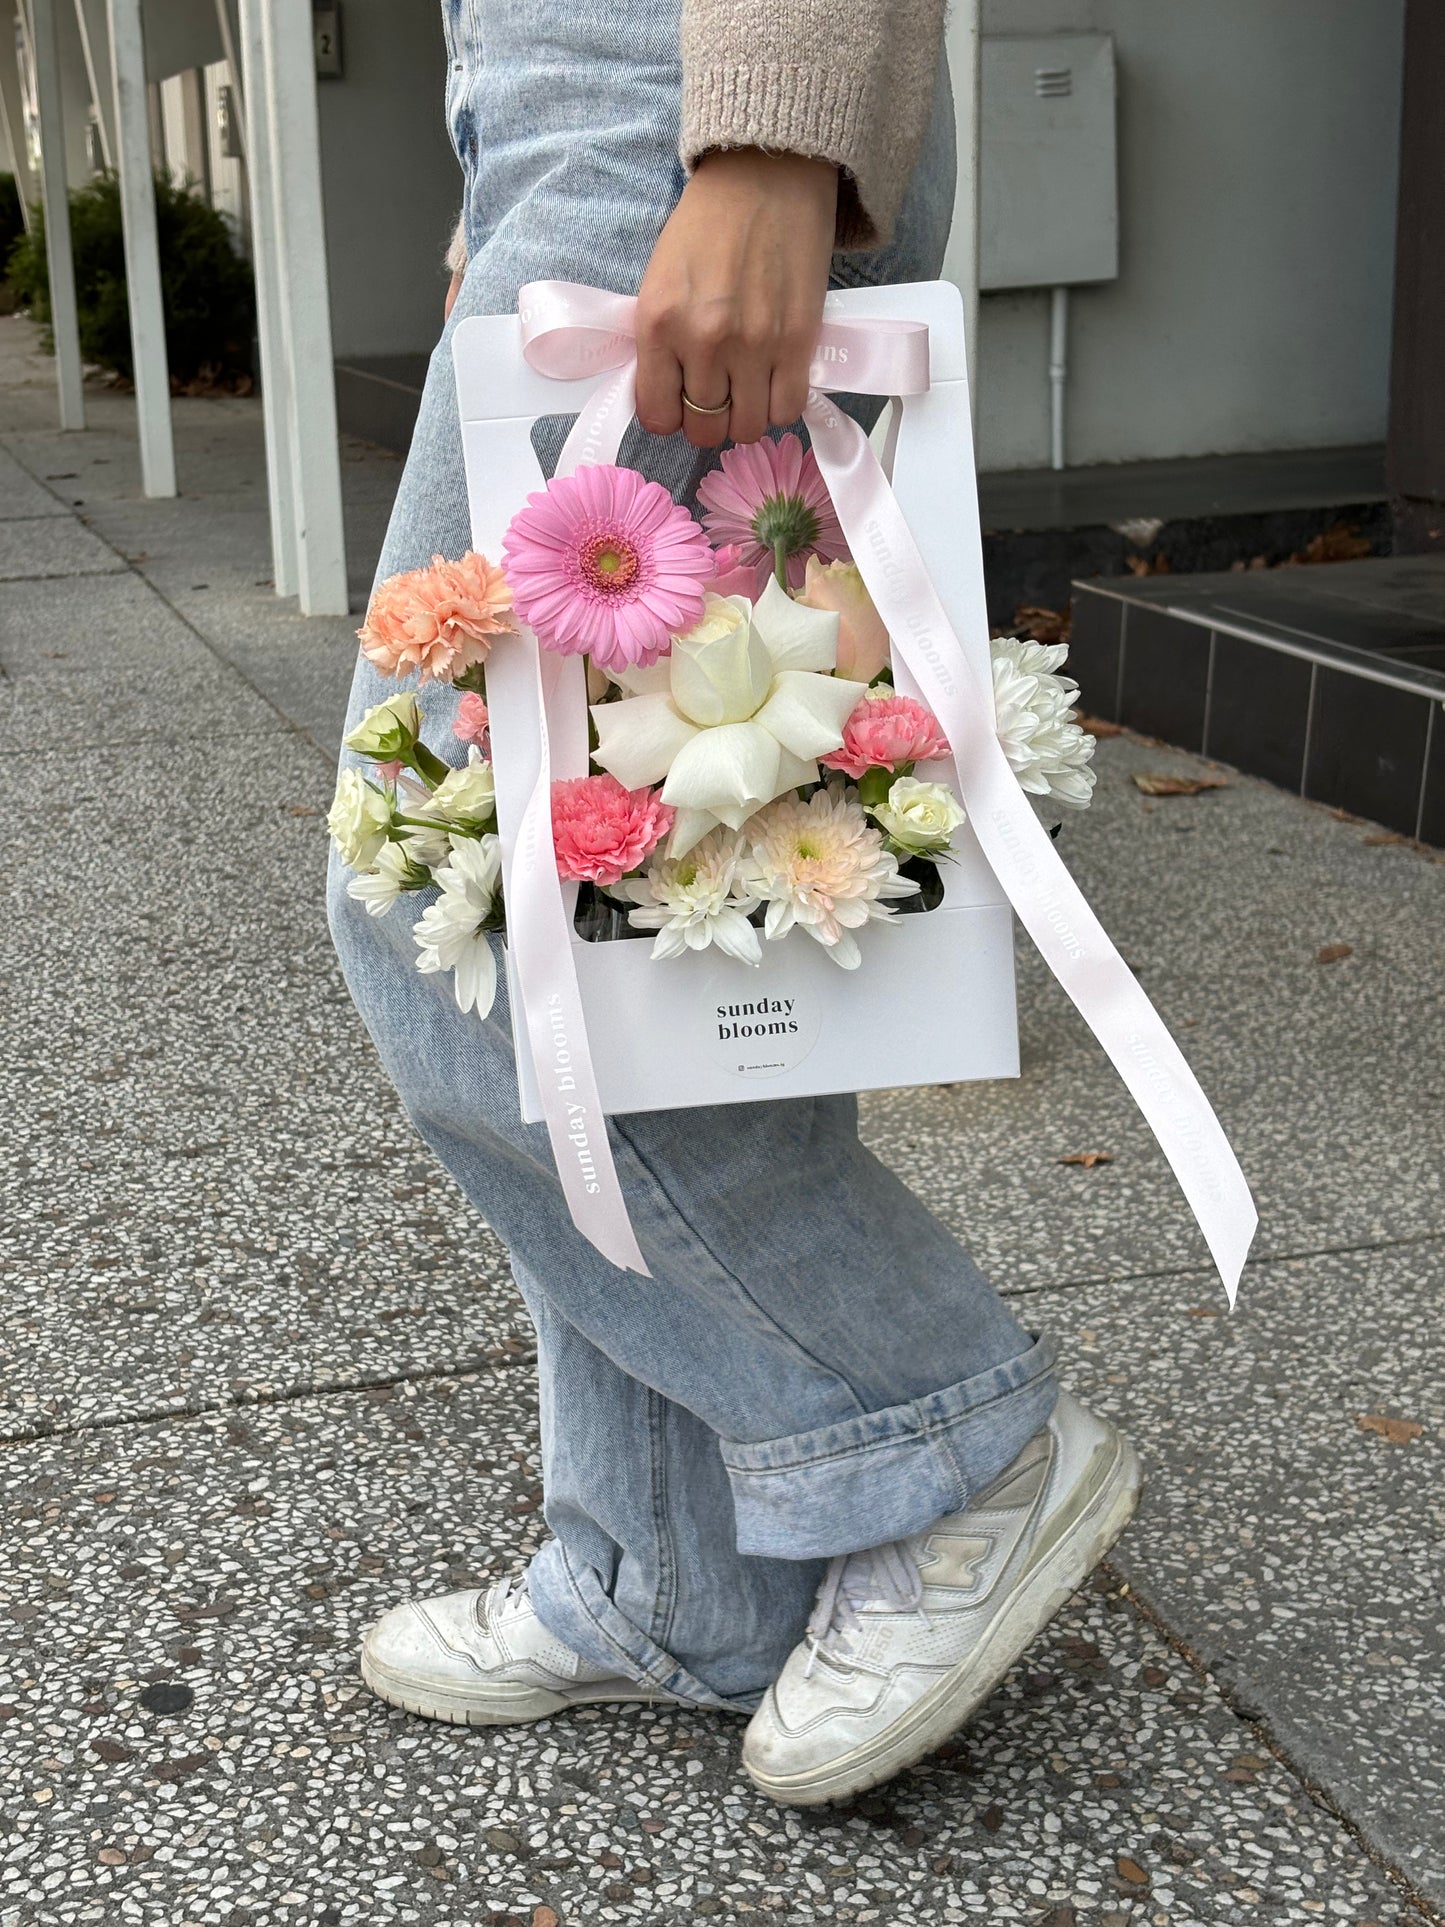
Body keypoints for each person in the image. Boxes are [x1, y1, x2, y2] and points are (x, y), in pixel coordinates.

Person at [327, 0, 1140, 1807]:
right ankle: (673, 1582)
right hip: (598, 135)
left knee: (449, 902)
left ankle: (940, 1436)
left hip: (678, 118)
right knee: (618, 934)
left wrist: (767, 132)